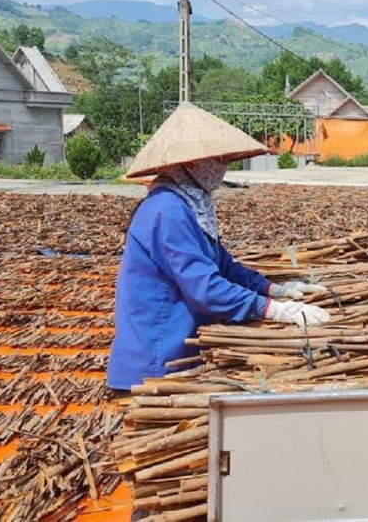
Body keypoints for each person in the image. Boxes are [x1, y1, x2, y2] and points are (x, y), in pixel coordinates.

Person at [108, 103, 331, 393]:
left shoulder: (189, 204)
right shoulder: (168, 209)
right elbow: (205, 288)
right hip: (157, 363)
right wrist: (275, 310)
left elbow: (223, 265)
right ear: (189, 163)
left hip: (179, 354)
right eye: (217, 159)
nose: (222, 166)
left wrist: (273, 289)